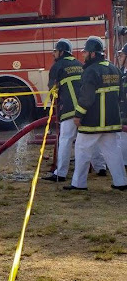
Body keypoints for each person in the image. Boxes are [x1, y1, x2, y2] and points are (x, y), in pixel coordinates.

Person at [64, 36, 127, 191]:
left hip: (92, 122)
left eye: (85, 52)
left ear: (93, 54)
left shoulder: (90, 71)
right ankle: (121, 182)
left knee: (82, 151)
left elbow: (86, 98)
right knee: (114, 153)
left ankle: (78, 184)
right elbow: (121, 96)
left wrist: (78, 115)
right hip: (112, 121)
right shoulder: (114, 69)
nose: (83, 55)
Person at [43, 39, 106, 181]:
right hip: (86, 108)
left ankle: (61, 173)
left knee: (65, 139)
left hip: (70, 110)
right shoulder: (79, 64)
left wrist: (52, 110)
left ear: (61, 52)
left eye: (55, 51)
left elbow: (53, 90)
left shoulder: (57, 66)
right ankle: (100, 166)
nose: (53, 54)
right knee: (90, 137)